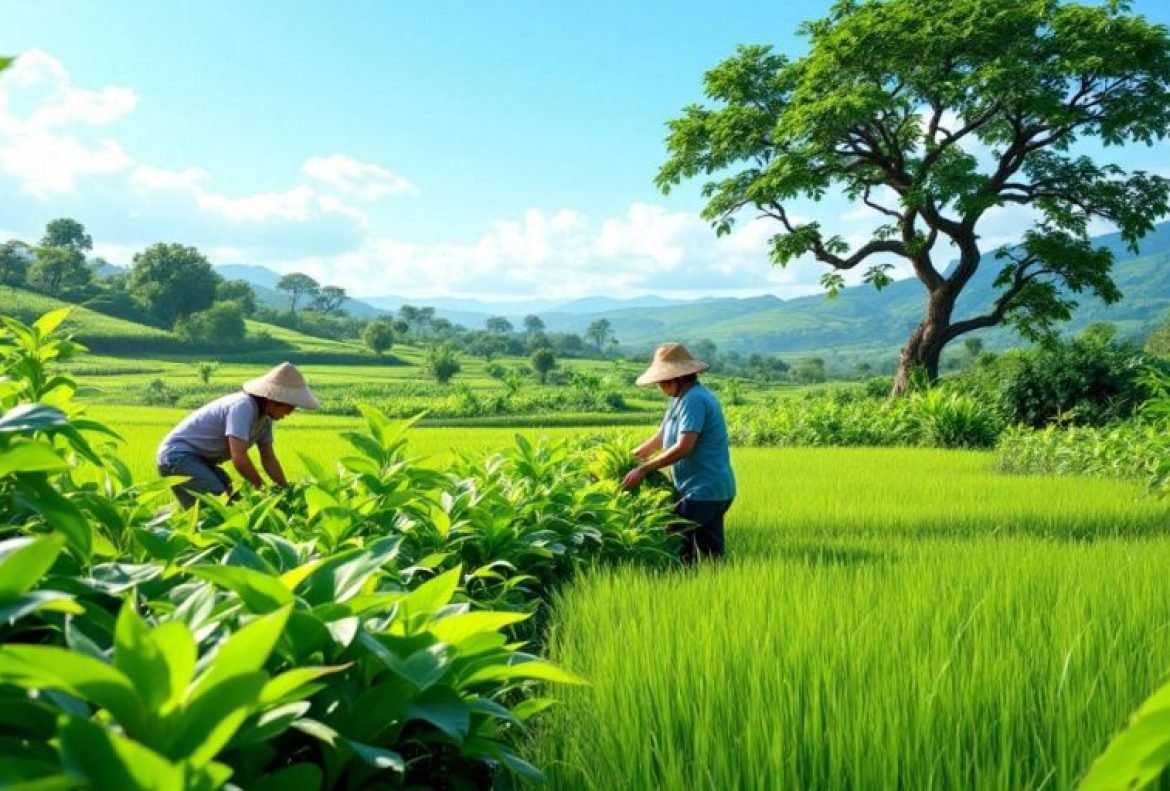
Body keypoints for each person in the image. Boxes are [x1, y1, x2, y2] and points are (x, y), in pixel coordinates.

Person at [622, 342, 736, 563]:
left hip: (703, 491)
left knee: (674, 546)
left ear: (676, 378)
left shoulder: (694, 399)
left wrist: (643, 470)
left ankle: (688, 589)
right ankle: (706, 590)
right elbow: (660, 438)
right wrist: (630, 458)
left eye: (661, 382)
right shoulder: (679, 400)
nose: (659, 387)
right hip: (710, 490)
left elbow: (685, 446)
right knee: (708, 557)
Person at [156, 361, 319, 508]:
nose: (290, 413)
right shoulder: (243, 406)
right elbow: (239, 457)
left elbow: (268, 458)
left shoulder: (265, 420)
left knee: (234, 498)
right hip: (178, 456)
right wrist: (262, 490)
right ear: (273, 400)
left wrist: (285, 489)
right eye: (289, 408)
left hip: (200, 460)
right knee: (218, 505)